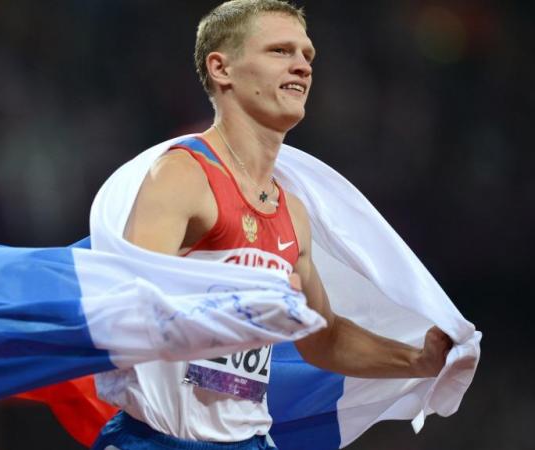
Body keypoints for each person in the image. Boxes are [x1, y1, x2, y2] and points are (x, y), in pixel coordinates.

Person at [91, 1, 454, 449]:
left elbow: (324, 338)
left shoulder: (291, 212)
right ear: (221, 68)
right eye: (281, 51)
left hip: (249, 440)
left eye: (307, 56)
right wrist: (238, 311)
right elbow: (126, 313)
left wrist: (419, 359)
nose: (302, 66)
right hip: (158, 440)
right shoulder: (183, 177)